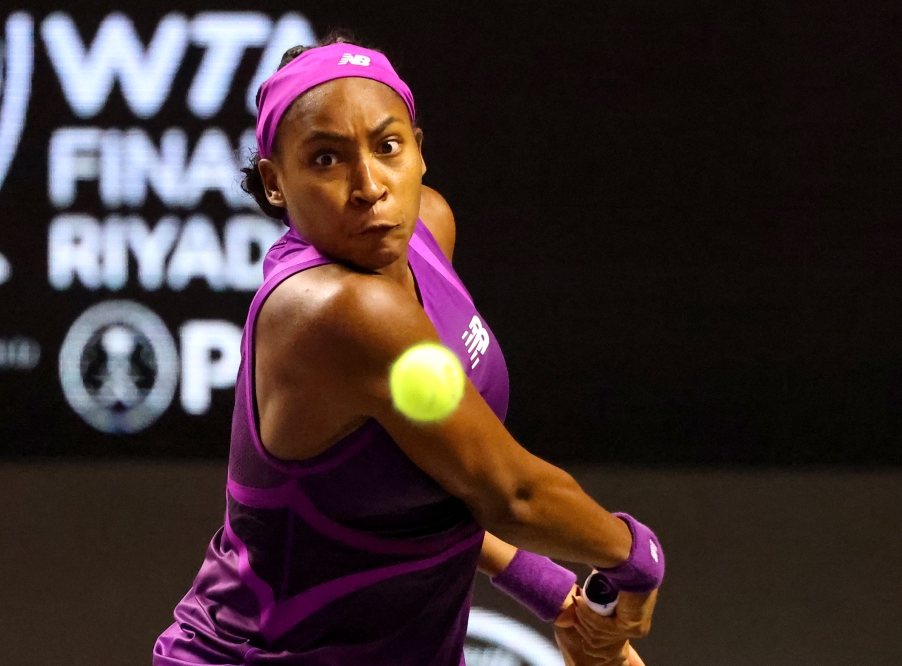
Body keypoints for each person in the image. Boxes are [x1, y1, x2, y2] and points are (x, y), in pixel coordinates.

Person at [153, 33, 664, 666]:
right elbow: (512, 493)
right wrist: (633, 556)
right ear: (274, 183)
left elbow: (433, 472)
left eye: (387, 146)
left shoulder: (428, 229)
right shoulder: (341, 311)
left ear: (418, 152)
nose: (369, 185)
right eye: (325, 160)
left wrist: (552, 591)